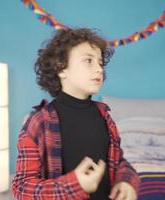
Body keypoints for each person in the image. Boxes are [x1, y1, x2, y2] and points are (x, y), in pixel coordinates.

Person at [12, 28, 139, 200]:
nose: (99, 69)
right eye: (88, 61)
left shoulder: (105, 117)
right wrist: (74, 185)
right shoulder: (39, 123)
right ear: (61, 69)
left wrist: (125, 181)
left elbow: (118, 162)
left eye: (100, 63)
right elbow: (22, 188)